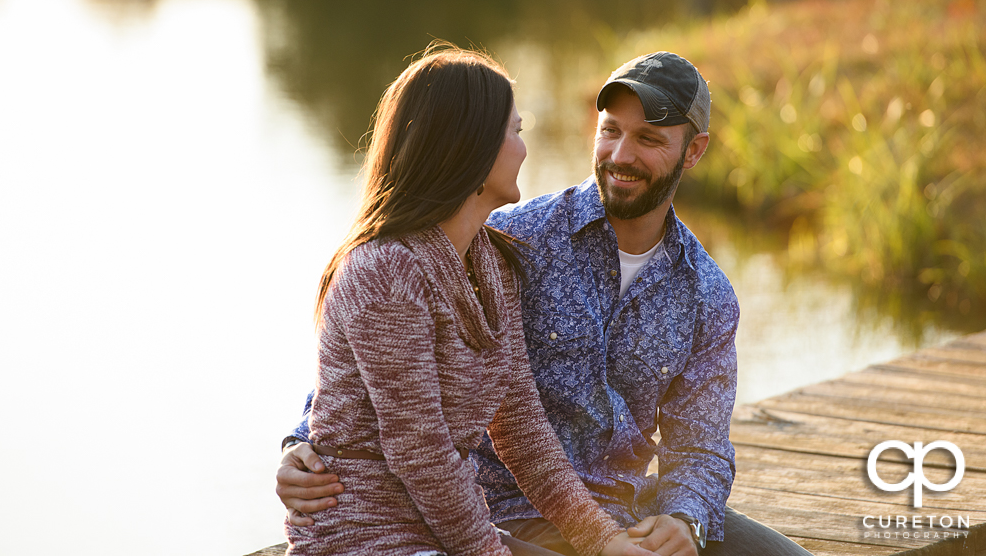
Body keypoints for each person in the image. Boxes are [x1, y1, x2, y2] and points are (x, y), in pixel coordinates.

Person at [279, 52, 812, 556]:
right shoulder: (515, 239)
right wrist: (301, 441)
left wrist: (686, 518)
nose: (622, 155)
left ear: (693, 152)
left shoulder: (703, 294)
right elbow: (378, 380)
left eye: (648, 139)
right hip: (496, 508)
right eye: (610, 131)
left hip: (617, 505)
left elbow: (700, 443)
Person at [285, 45, 656, 556]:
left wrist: (605, 541)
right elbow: (423, 455)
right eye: (515, 133)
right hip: (365, 536)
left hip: (444, 531)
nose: (525, 149)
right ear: (471, 148)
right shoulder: (386, 272)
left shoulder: (491, 265)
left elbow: (523, 429)